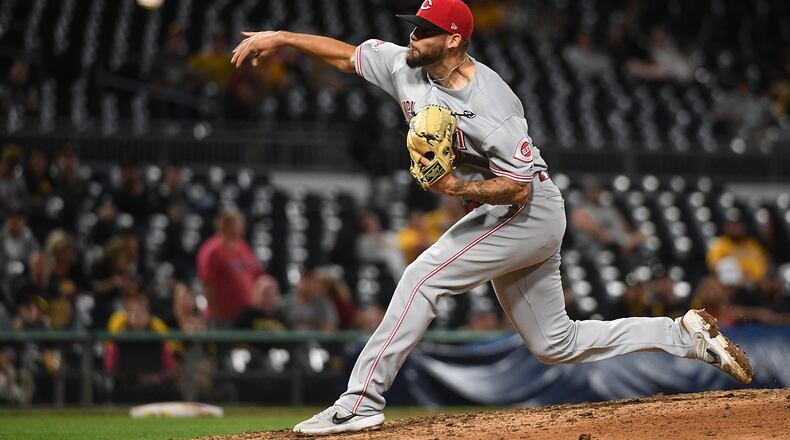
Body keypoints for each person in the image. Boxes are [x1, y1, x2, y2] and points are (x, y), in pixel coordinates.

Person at [232, 0, 753, 434]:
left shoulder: (492, 104)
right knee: (555, 344)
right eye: (413, 27)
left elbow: (520, 189)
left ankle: (361, 401)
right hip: (508, 210)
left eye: (425, 31)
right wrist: (281, 36)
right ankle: (681, 335)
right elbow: (349, 57)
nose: (413, 37)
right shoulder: (406, 68)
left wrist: (455, 185)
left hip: (529, 210)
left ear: (454, 41)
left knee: (421, 278)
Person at [196, 209, 266, 326]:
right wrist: (215, 314)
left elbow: (257, 276)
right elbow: (208, 284)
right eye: (237, 221)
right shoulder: (212, 250)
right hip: (223, 318)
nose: (242, 224)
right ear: (225, 224)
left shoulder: (243, 246)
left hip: (245, 317)